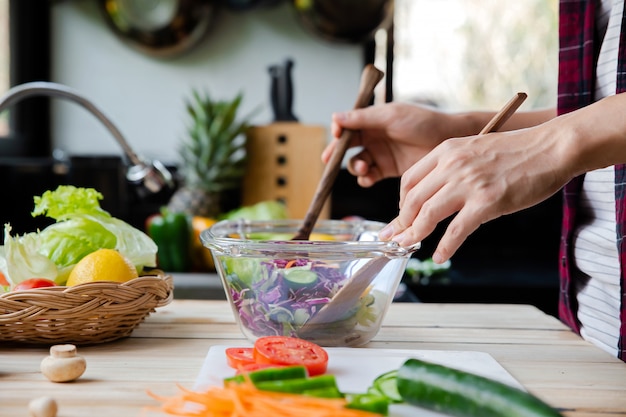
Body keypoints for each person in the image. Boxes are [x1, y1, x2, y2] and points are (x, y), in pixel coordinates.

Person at [322, 0, 626, 362]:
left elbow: (578, 134)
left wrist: (552, 145)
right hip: (598, 328)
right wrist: (458, 133)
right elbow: (599, 109)